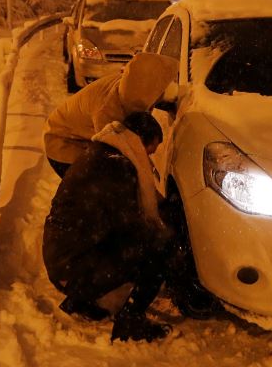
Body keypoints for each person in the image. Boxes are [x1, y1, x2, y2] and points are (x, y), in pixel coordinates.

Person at [42, 111, 176, 342]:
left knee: (135, 242)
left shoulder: (101, 152)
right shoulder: (117, 168)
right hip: (71, 268)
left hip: (62, 259)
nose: (149, 158)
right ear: (138, 141)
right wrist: (168, 231)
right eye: (149, 151)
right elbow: (131, 226)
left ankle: (79, 300)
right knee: (158, 249)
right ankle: (130, 320)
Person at [44, 52, 177, 177]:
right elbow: (111, 154)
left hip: (81, 138)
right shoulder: (108, 112)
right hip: (63, 143)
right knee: (101, 187)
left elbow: (156, 94)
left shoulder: (134, 84)